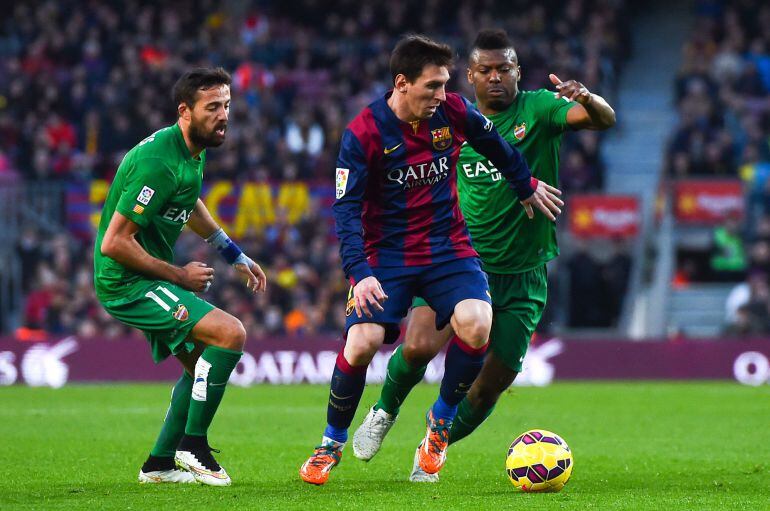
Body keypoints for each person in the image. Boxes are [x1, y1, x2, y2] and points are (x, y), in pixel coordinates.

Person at [352, 29, 616, 482]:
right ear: (469, 76)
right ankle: (383, 410)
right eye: (486, 70)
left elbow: (601, 120)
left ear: (518, 72)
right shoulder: (445, 117)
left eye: (505, 69)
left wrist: (589, 98)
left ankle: (436, 439)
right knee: (415, 347)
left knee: (492, 382)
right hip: (457, 261)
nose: (496, 77)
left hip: (524, 274)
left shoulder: (538, 108)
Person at [299, 34, 563, 485]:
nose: (443, 95)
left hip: (448, 249)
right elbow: (345, 209)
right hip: (389, 256)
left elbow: (497, 146)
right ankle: (330, 444)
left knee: (477, 323)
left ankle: (438, 426)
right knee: (361, 344)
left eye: (445, 85)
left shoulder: (453, 112)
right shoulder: (364, 132)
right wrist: (359, 274)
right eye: (433, 86)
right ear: (402, 84)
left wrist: (525, 184)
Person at [94, 68, 267, 486]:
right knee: (230, 334)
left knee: (199, 366)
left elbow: (188, 202)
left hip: (149, 278)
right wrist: (178, 275)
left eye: (226, 105)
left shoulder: (193, 150)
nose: (223, 115)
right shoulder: (158, 163)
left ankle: (159, 464)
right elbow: (114, 243)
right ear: (184, 112)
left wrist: (232, 252)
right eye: (213, 107)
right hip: (127, 282)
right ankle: (193, 444)